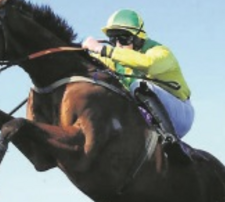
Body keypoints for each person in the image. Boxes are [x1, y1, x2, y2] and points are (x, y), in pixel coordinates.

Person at [81, 9, 194, 163]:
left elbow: (146, 63)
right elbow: (91, 63)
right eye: (113, 40)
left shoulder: (161, 53)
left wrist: (102, 49)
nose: (118, 45)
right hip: (151, 112)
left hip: (179, 114)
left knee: (138, 85)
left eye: (124, 39)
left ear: (138, 38)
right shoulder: (116, 58)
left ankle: (171, 141)